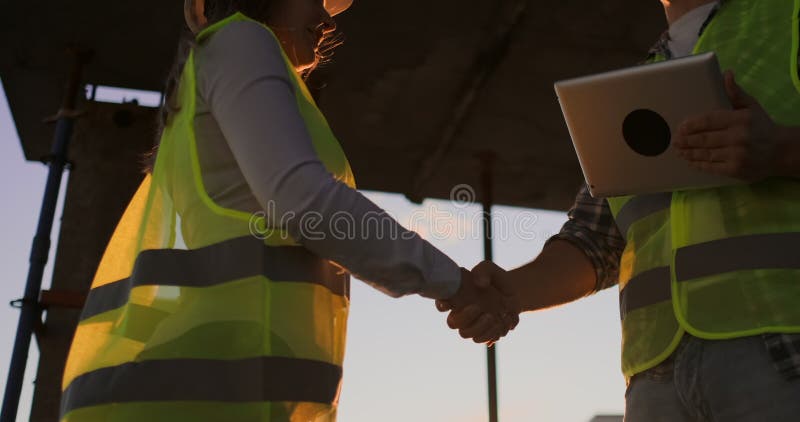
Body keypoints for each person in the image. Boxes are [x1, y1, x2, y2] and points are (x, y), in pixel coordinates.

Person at [58, 0, 516, 421]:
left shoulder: (222, 64)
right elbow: (305, 201)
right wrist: (455, 283)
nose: (327, 19)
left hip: (226, 369)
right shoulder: (241, 40)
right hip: (222, 372)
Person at [441, 0, 800, 420]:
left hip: (783, 354)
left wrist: (781, 151)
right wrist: (508, 294)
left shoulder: (788, 20)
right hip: (655, 378)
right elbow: (596, 239)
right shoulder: (637, 82)